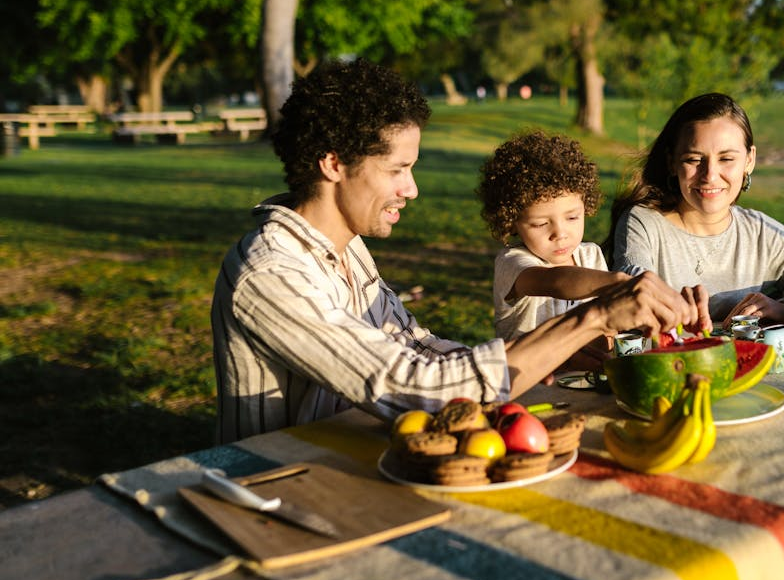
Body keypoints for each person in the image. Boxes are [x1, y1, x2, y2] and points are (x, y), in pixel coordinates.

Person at [211, 59, 700, 443]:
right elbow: (413, 387)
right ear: (334, 164)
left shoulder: (345, 247)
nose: (412, 189)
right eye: (397, 169)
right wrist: (590, 319)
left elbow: (413, 344)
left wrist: (542, 356)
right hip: (282, 487)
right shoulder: (269, 273)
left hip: (352, 452)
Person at [605, 92, 784, 327]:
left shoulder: (760, 234)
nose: (710, 175)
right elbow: (631, 292)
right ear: (671, 162)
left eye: (726, 159)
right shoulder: (644, 224)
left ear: (749, 160)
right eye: (694, 159)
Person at [477, 130, 630, 372]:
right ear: (511, 221)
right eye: (540, 224)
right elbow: (555, 281)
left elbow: (607, 333)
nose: (560, 233)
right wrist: (620, 284)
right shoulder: (513, 263)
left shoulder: (591, 257)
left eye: (572, 217)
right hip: (528, 388)